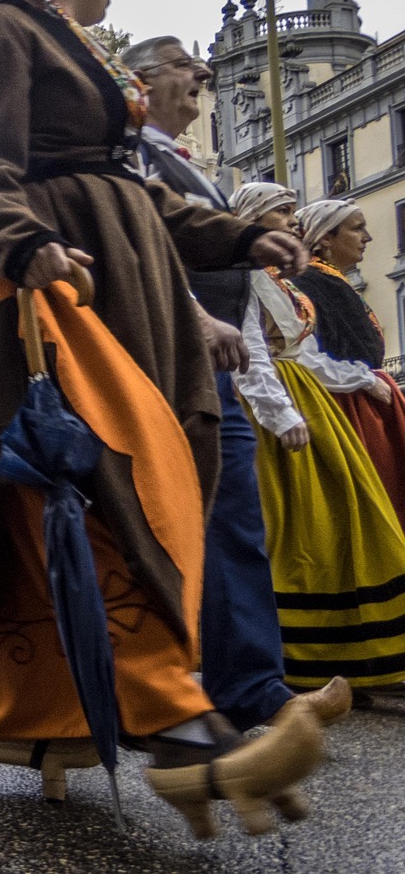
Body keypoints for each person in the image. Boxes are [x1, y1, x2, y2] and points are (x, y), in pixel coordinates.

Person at [0, 0, 322, 838]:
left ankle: (115, 713)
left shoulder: (71, 50)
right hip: (39, 296)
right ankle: (187, 727)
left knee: (131, 480)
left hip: (97, 289)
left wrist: (231, 236)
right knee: (92, 484)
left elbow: (129, 186)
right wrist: (22, 246)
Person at [123, 38, 350, 731]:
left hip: (219, 372)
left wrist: (258, 385)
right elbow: (141, 254)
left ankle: (253, 688)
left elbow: (241, 304)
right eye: (178, 64)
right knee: (162, 530)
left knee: (235, 527)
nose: (200, 74)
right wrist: (193, 319)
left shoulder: (193, 172)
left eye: (201, 71)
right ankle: (159, 692)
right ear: (141, 81)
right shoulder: (127, 157)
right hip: (161, 365)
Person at [229, 183, 405, 695]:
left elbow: (305, 355)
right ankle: (300, 657)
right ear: (255, 221)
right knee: (294, 531)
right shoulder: (243, 278)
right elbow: (251, 353)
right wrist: (280, 414)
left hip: (309, 398)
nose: (292, 221)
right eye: (283, 213)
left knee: (350, 518)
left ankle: (367, 650)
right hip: (275, 409)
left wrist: (358, 378)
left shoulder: (279, 282)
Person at [292, 200, 405, 528]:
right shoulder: (310, 283)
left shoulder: (327, 280)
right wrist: (365, 382)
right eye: (357, 228)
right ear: (325, 239)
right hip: (351, 406)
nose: (367, 237)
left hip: (365, 398)